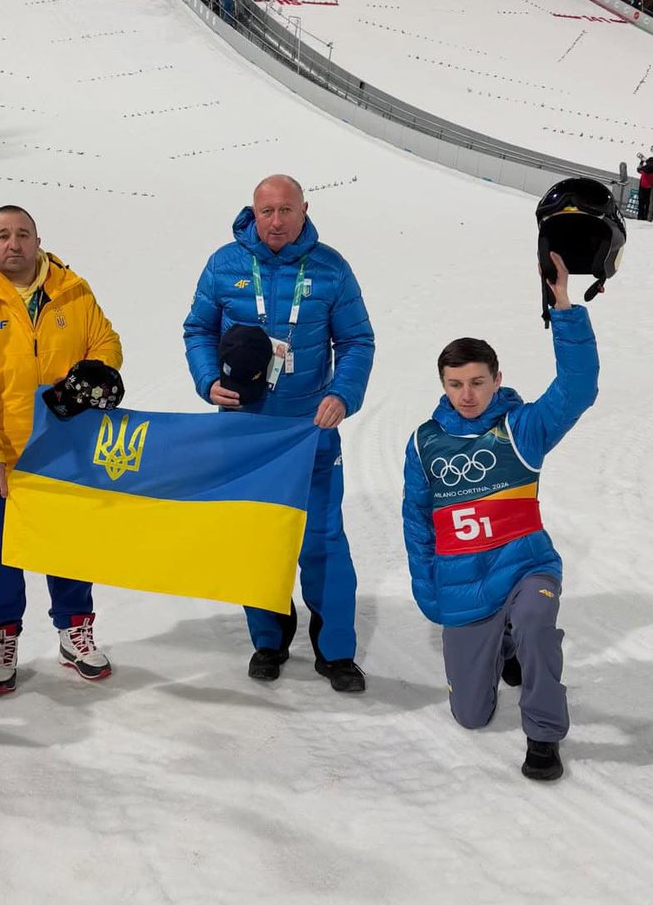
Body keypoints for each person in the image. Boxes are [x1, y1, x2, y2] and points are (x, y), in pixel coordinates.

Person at [402, 253, 599, 781]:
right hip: (464, 583)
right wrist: (429, 591)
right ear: (442, 384)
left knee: (536, 623)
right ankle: (502, 643)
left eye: (477, 382)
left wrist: (563, 306)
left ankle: (543, 734)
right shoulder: (424, 442)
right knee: (471, 716)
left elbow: (578, 389)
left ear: (496, 380)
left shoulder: (522, 427)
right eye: (455, 384)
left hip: (525, 567)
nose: (467, 395)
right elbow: (418, 522)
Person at [184, 175, 375, 691]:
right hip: (245, 433)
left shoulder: (331, 268)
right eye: (266, 211)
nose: (276, 221)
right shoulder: (224, 264)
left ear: (304, 210)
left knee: (323, 541)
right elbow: (198, 329)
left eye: (286, 210)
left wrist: (342, 394)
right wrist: (207, 380)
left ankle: (335, 651)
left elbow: (356, 340)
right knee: (256, 537)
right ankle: (269, 639)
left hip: (310, 431)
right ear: (253, 211)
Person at [0, 205, 122, 694]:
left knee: (69, 547)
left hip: (64, 452)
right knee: (1, 554)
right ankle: (2, 638)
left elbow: (105, 342)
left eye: (22, 234)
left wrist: (95, 373)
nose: (14, 243)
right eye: (2, 235)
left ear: (38, 240)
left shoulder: (73, 290)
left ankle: (74, 631)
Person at [636, 155, 653, 221]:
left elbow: (638, 169)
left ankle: (640, 217)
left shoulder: (644, 170)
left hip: (642, 187)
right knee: (648, 204)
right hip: (649, 189)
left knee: (641, 203)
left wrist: (641, 162)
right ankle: (646, 217)